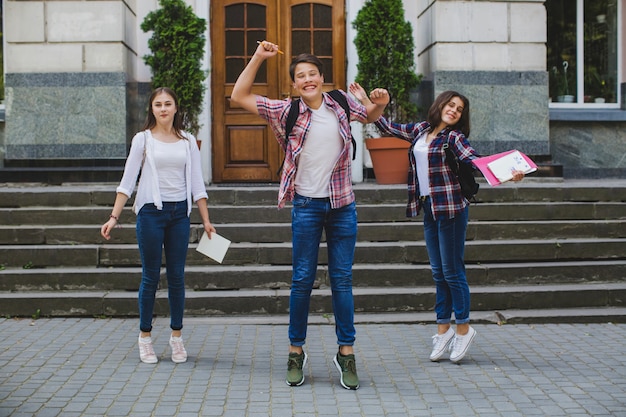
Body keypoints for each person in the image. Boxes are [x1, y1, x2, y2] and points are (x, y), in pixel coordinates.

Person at [230, 41, 389, 389]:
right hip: (306, 205)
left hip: (343, 205)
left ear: (322, 77)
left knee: (342, 280)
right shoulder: (285, 110)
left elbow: (372, 116)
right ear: (294, 84)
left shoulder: (342, 103)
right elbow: (238, 96)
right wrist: (258, 56)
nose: (307, 79)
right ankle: (295, 351)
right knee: (302, 280)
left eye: (312, 73)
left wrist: (380, 103)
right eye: (300, 76)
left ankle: (346, 354)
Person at [350, 83, 524, 363]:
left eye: (459, 109)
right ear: (440, 105)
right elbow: (387, 126)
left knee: (453, 271)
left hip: (452, 208)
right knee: (438, 272)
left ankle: (464, 329)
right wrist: (362, 100)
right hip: (429, 207)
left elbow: (476, 161)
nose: (454, 110)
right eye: (450, 105)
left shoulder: (454, 138)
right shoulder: (420, 131)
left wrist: (510, 172)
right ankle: (443, 330)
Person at [101, 87, 216, 364]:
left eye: (168, 104)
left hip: (179, 215)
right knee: (150, 277)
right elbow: (127, 181)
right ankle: (145, 338)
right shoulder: (143, 140)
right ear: (151, 109)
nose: (163, 109)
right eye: (158, 104)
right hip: (151, 214)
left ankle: (177, 337)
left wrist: (207, 221)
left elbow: (198, 184)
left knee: (177, 277)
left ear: (176, 108)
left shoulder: (188, 141)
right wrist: (114, 217)